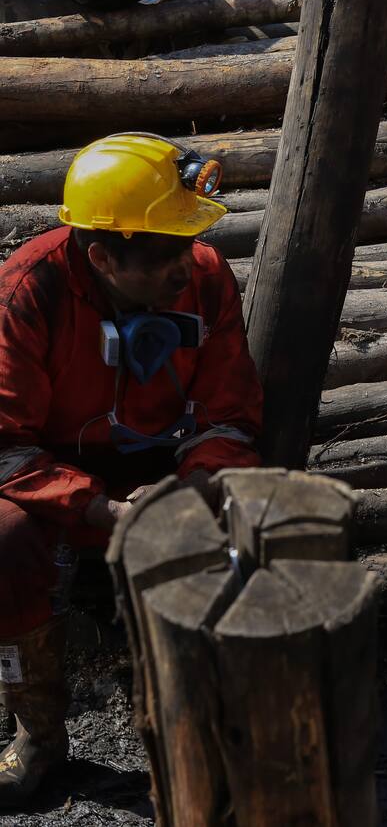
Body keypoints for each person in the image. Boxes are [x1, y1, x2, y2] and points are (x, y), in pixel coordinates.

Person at [0, 133, 263, 806]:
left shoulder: (203, 277)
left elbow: (231, 415)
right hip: (53, 475)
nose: (189, 264)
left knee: (250, 513)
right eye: (168, 254)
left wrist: (194, 482)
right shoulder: (29, 294)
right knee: (4, 540)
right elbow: (4, 446)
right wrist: (98, 508)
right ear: (101, 257)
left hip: (161, 467)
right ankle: (38, 735)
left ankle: (215, 728)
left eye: (188, 244)